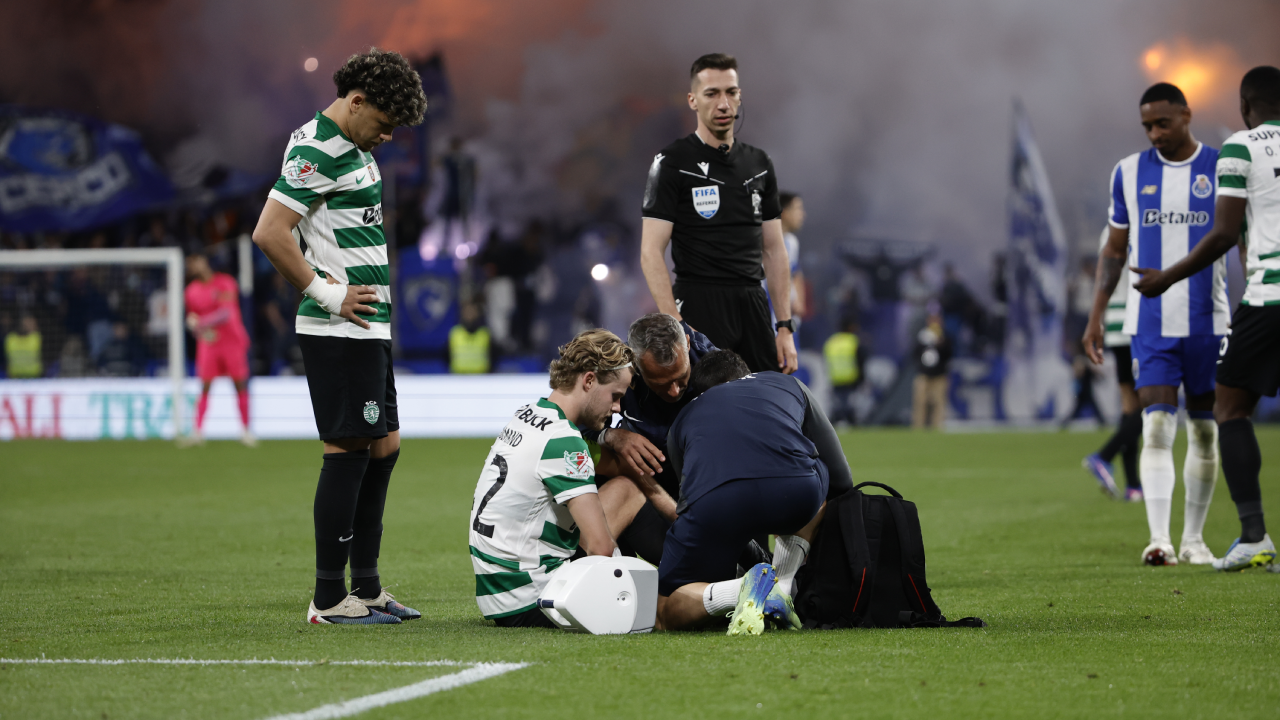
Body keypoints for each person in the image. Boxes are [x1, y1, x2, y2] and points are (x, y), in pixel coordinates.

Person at [251, 48, 428, 625]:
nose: (387, 136)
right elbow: (271, 232)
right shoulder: (317, 148)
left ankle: (368, 588)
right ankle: (328, 599)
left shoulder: (351, 144)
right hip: (339, 326)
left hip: (369, 324)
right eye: (383, 124)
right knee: (349, 448)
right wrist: (329, 293)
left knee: (384, 446)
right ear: (356, 103)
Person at [1129, 66, 1280, 572]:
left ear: (1244, 106)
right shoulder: (1131, 172)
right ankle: (1169, 537)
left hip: (1263, 300)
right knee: (1175, 424)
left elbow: (1223, 234)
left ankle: (1253, 534)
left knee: (1228, 410)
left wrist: (1166, 277)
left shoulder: (1238, 149)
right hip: (1171, 324)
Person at [1082, 82, 1225, 567]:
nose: (1154, 133)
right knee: (1158, 424)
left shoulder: (1221, 167)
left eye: (1163, 123)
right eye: (1147, 126)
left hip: (1209, 320)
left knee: (1205, 432)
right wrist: (1096, 315)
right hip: (1153, 323)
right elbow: (1114, 251)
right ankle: (1160, 540)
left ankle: (1195, 540)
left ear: (1186, 114)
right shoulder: (1127, 172)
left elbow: (1240, 239)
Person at [656, 350, 854, 635]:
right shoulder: (787, 383)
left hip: (713, 505)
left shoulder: (683, 417)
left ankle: (740, 590)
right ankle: (783, 583)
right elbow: (842, 479)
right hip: (796, 492)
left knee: (664, 611)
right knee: (817, 467)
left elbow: (687, 499)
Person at [639, 53, 797, 375]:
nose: (723, 104)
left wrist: (784, 326)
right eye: (712, 94)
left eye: (731, 92)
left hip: (753, 302)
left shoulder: (759, 163)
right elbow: (650, 251)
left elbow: (774, 248)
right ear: (693, 100)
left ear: (740, 97)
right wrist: (675, 324)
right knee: (705, 410)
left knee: (763, 406)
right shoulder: (671, 162)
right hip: (699, 301)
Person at [468, 329, 632, 627]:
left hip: (496, 591)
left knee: (618, 485)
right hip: (532, 596)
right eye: (616, 396)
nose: (617, 407)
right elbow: (600, 548)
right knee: (630, 489)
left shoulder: (527, 414)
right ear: (589, 380)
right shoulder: (564, 441)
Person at [582, 313, 714, 564]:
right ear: (636, 366)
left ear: (686, 344)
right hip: (652, 480)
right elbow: (578, 428)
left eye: (680, 377)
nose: (675, 391)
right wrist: (610, 435)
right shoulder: (617, 371)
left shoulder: (715, 366)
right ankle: (617, 574)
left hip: (710, 481)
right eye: (661, 383)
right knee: (587, 466)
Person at [1083, 228, 1143, 502]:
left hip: (1117, 324)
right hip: (1139, 322)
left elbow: (1105, 276)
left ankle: (1133, 486)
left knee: (1130, 406)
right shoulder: (1144, 221)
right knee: (1151, 404)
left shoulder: (1108, 230)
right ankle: (1103, 456)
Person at [181, 253, 254, 446]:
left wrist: (201, 323)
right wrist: (199, 332)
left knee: (239, 384)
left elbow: (226, 313)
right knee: (204, 386)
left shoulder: (225, 283)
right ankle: (197, 432)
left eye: (195, 260)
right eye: (190, 264)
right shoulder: (190, 291)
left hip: (232, 341)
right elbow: (191, 320)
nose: (194, 265)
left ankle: (246, 431)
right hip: (209, 344)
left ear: (204, 260)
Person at [911, 312, 951, 430]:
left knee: (939, 403)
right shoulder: (922, 337)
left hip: (939, 375)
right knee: (920, 402)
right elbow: (915, 354)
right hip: (924, 375)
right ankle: (918, 428)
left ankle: (938, 427)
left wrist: (940, 344)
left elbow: (949, 355)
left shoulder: (945, 337)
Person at [823, 317, 865, 426]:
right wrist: (862, 377)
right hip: (851, 378)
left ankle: (838, 421)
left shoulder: (831, 342)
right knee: (850, 404)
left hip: (835, 378)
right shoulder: (852, 341)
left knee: (837, 403)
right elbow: (860, 360)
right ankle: (850, 422)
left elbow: (826, 360)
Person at [776, 191, 807, 333]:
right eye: (798, 209)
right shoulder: (766, 241)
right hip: (772, 312)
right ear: (784, 212)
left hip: (790, 315)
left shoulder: (792, 242)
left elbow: (795, 273)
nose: (802, 215)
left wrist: (798, 301)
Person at [448, 303, 492, 374]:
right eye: (467, 312)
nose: (470, 315)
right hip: (458, 377)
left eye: (472, 312)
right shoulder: (455, 333)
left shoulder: (484, 334)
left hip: (481, 378)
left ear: (477, 313)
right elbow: (446, 355)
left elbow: (493, 355)